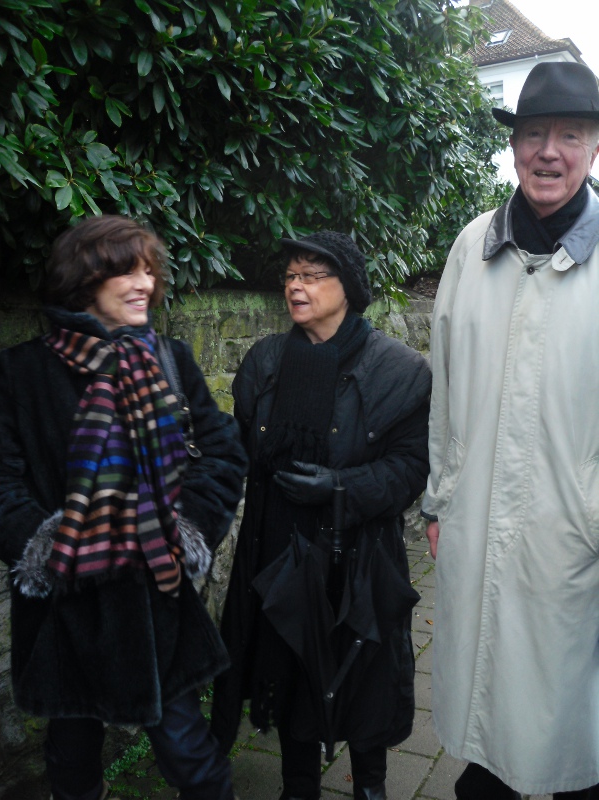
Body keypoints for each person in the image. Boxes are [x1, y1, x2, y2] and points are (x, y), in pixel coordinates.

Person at [0, 215, 248, 800]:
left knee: (192, 756)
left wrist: (186, 529)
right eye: (127, 272)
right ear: (84, 279)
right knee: (71, 759)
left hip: (156, 595)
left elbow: (223, 452)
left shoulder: (170, 359)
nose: (145, 284)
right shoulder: (21, 372)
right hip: (66, 604)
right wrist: (48, 545)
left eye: (149, 271)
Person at [421, 61, 599, 799]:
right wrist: (439, 498)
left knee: (575, 729)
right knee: (488, 714)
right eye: (533, 134)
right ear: (514, 144)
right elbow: (444, 386)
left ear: (594, 146)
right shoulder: (473, 246)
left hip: (576, 538)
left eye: (570, 134)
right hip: (474, 521)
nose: (548, 151)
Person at [210, 230, 431, 800]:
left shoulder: (400, 371)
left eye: (311, 275)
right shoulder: (265, 361)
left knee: (364, 675)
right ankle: (298, 786)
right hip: (280, 553)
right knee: (289, 671)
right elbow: (241, 448)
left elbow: (410, 467)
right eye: (290, 275)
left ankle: (370, 787)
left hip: (359, 560)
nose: (295, 286)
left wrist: (340, 487)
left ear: (347, 287)